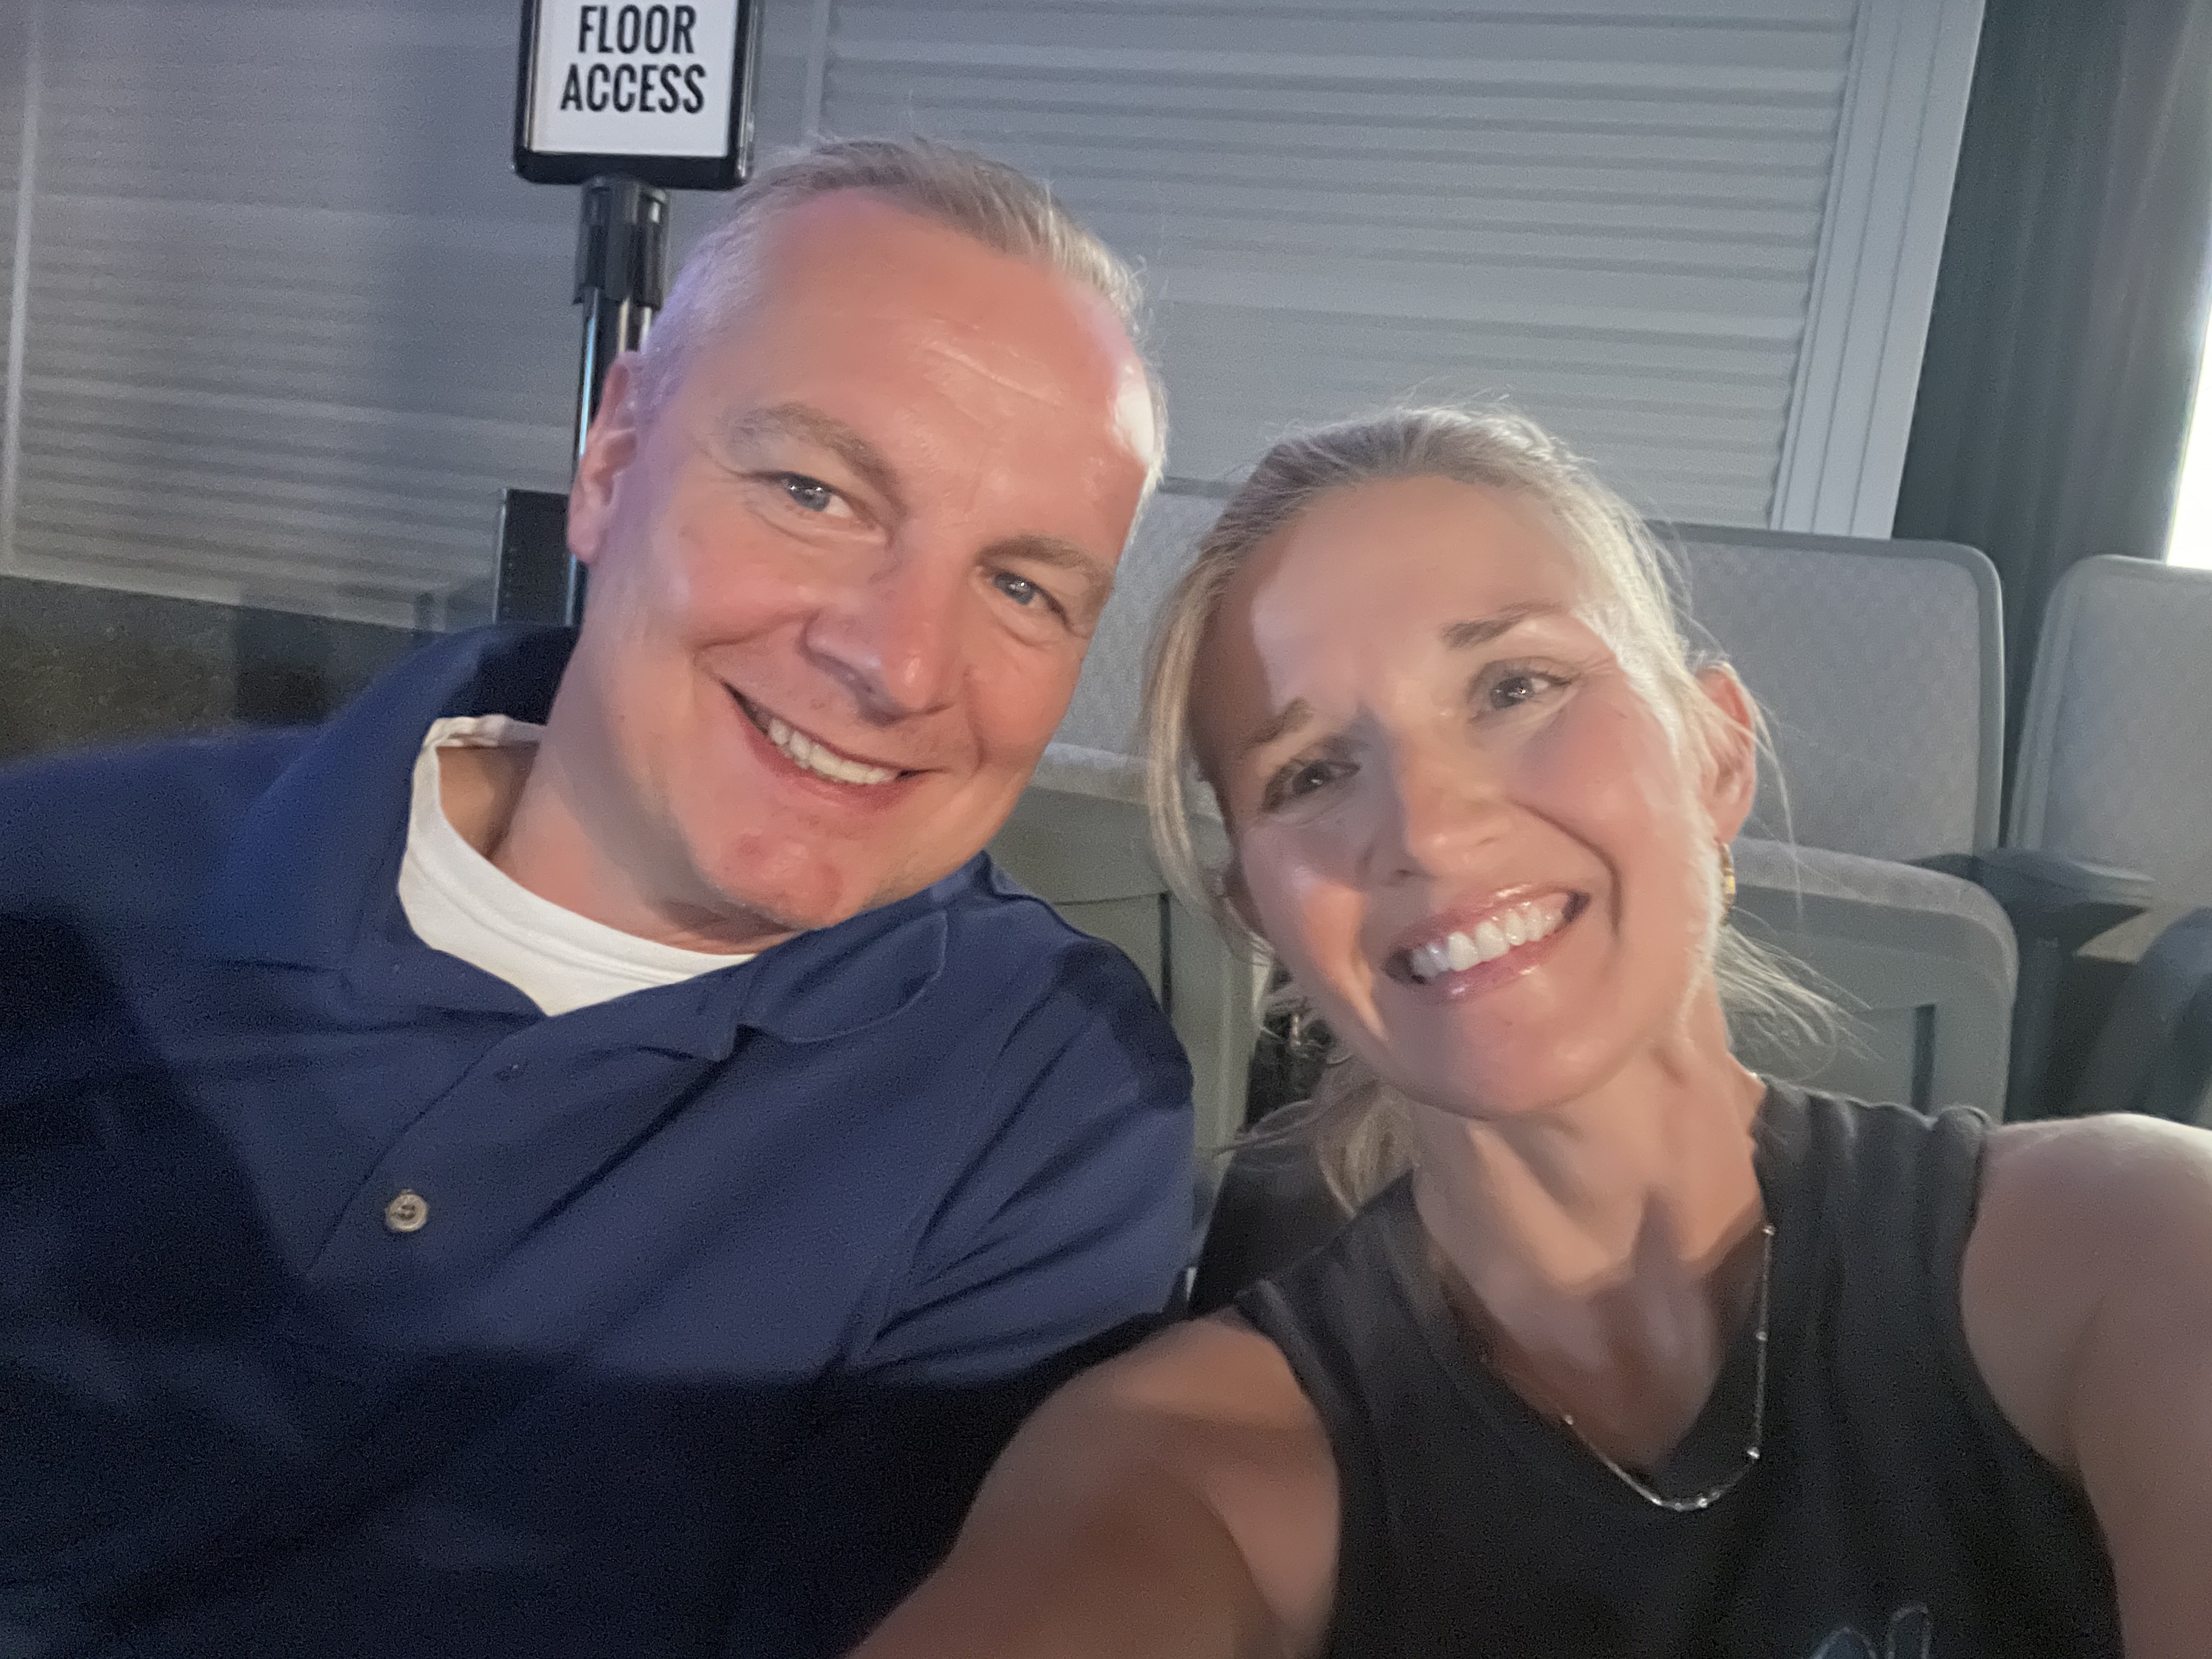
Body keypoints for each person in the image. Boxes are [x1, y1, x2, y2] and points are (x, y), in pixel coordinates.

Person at [0, 138, 1194, 1657]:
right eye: (815, 492)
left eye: (1022, 588)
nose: (900, 666)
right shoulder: (60, 884)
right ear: (614, 461)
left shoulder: (1041, 1102)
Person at [847, 407, 2212, 1658]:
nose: (1429, 831)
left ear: (1715, 754)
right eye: (1311, 773)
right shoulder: (1183, 1469)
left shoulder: (2127, 1248)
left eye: (1515, 688)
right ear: (1262, 914)